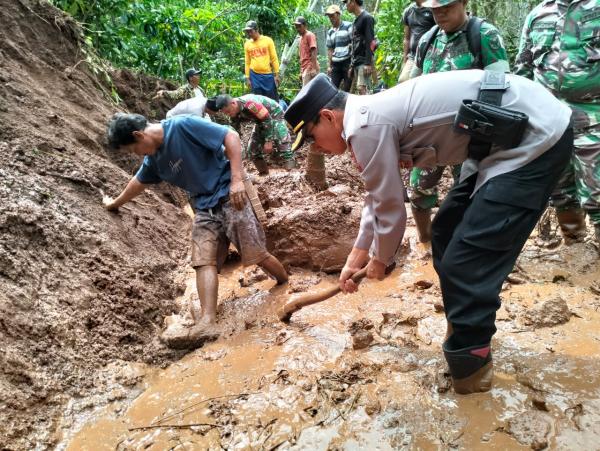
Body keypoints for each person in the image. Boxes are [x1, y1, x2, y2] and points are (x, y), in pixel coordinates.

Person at [284, 73, 572, 394]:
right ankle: (463, 330)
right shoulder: (364, 118)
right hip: (499, 142)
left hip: (535, 136)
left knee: (465, 263)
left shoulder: (364, 125)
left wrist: (381, 259)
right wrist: (358, 255)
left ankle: (472, 371)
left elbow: (392, 206)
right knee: (445, 233)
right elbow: (376, 195)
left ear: (327, 116)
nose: (316, 148)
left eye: (311, 137)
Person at [103, 113, 288, 347]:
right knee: (203, 260)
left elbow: (230, 136)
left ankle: (285, 284)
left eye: (133, 150)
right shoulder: (154, 161)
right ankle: (208, 320)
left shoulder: (182, 126)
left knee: (256, 254)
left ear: (139, 135)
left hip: (230, 195)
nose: (136, 155)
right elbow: (137, 184)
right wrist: (114, 203)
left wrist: (237, 179)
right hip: (203, 206)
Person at [408, 0, 510, 243]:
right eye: (435, 9)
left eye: (446, 7)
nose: (440, 13)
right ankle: (426, 243)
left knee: (471, 192)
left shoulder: (483, 35)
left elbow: (500, 86)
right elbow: (413, 87)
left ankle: (469, 246)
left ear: (464, 3)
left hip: (469, 136)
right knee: (419, 190)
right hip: (431, 136)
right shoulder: (428, 40)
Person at [514, 0, 600, 244]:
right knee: (561, 191)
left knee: (597, 194)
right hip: (550, 121)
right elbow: (523, 68)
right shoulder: (538, 14)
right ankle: (576, 248)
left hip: (594, 117)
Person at [206, 94, 296, 174]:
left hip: (274, 115)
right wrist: (230, 147)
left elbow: (267, 120)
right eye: (226, 113)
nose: (228, 114)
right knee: (252, 151)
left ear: (233, 103)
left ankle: (292, 172)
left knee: (282, 143)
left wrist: (268, 141)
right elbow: (234, 132)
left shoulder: (250, 104)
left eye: (229, 111)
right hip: (260, 121)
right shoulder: (233, 114)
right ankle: (264, 174)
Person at [398, 0, 435, 83]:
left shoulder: (432, 8)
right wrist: (405, 60)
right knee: (402, 80)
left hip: (428, 54)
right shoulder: (408, 11)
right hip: (412, 55)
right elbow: (407, 38)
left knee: (413, 81)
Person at [344, 0, 376, 95]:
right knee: (360, 91)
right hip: (357, 61)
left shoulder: (367, 18)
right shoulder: (356, 20)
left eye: (347, 2)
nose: (346, 5)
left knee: (362, 88)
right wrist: (352, 65)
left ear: (353, 1)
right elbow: (355, 44)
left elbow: (371, 42)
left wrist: (368, 62)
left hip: (364, 60)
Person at [243, 20, 280, 101]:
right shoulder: (247, 44)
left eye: (250, 31)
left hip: (267, 75)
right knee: (257, 99)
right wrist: (247, 78)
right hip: (254, 75)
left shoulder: (267, 40)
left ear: (256, 30)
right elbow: (247, 62)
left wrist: (277, 74)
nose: (249, 34)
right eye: (247, 32)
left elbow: (274, 58)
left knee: (271, 99)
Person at [325, 4, 353, 92]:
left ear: (338, 14)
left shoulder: (348, 26)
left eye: (332, 16)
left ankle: (346, 105)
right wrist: (329, 66)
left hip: (347, 62)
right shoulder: (330, 32)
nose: (331, 18)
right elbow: (330, 49)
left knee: (347, 89)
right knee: (332, 89)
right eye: (329, 16)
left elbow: (354, 43)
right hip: (336, 64)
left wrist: (352, 64)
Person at [294, 16, 320, 86]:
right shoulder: (300, 38)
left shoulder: (309, 35)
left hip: (310, 67)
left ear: (305, 26)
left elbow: (314, 51)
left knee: (306, 92)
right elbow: (302, 56)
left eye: (299, 26)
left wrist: (313, 68)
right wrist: (301, 71)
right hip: (305, 69)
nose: (298, 29)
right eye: (296, 27)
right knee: (310, 92)